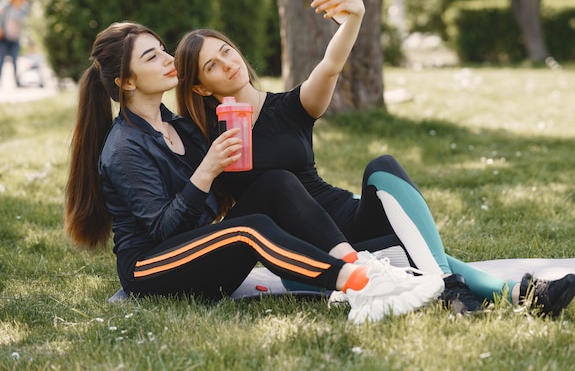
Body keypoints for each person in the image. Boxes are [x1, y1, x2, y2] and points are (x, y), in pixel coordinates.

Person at [174, 0, 575, 316]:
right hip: (306, 253)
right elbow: (188, 206)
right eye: (211, 65)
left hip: (347, 218)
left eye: (225, 50)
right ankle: (494, 291)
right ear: (201, 88)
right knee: (400, 251)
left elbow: (330, 66)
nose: (227, 63)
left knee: (384, 170)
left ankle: (483, 290)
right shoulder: (202, 139)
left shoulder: (291, 108)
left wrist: (355, 17)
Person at [63, 21, 445, 325]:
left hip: (197, 252)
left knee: (274, 182)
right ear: (126, 82)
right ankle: (359, 284)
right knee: (249, 229)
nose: (167, 59)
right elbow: (163, 232)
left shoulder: (178, 127)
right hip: (151, 268)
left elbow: (213, 207)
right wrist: (206, 173)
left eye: (163, 49)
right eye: (152, 57)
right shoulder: (125, 146)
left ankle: (357, 265)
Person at [0, 0, 30, 87]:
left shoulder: (22, 8)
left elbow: (26, 12)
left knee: (15, 60)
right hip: (4, 38)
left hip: (15, 38)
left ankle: (17, 82)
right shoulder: (6, 6)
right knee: (1, 60)